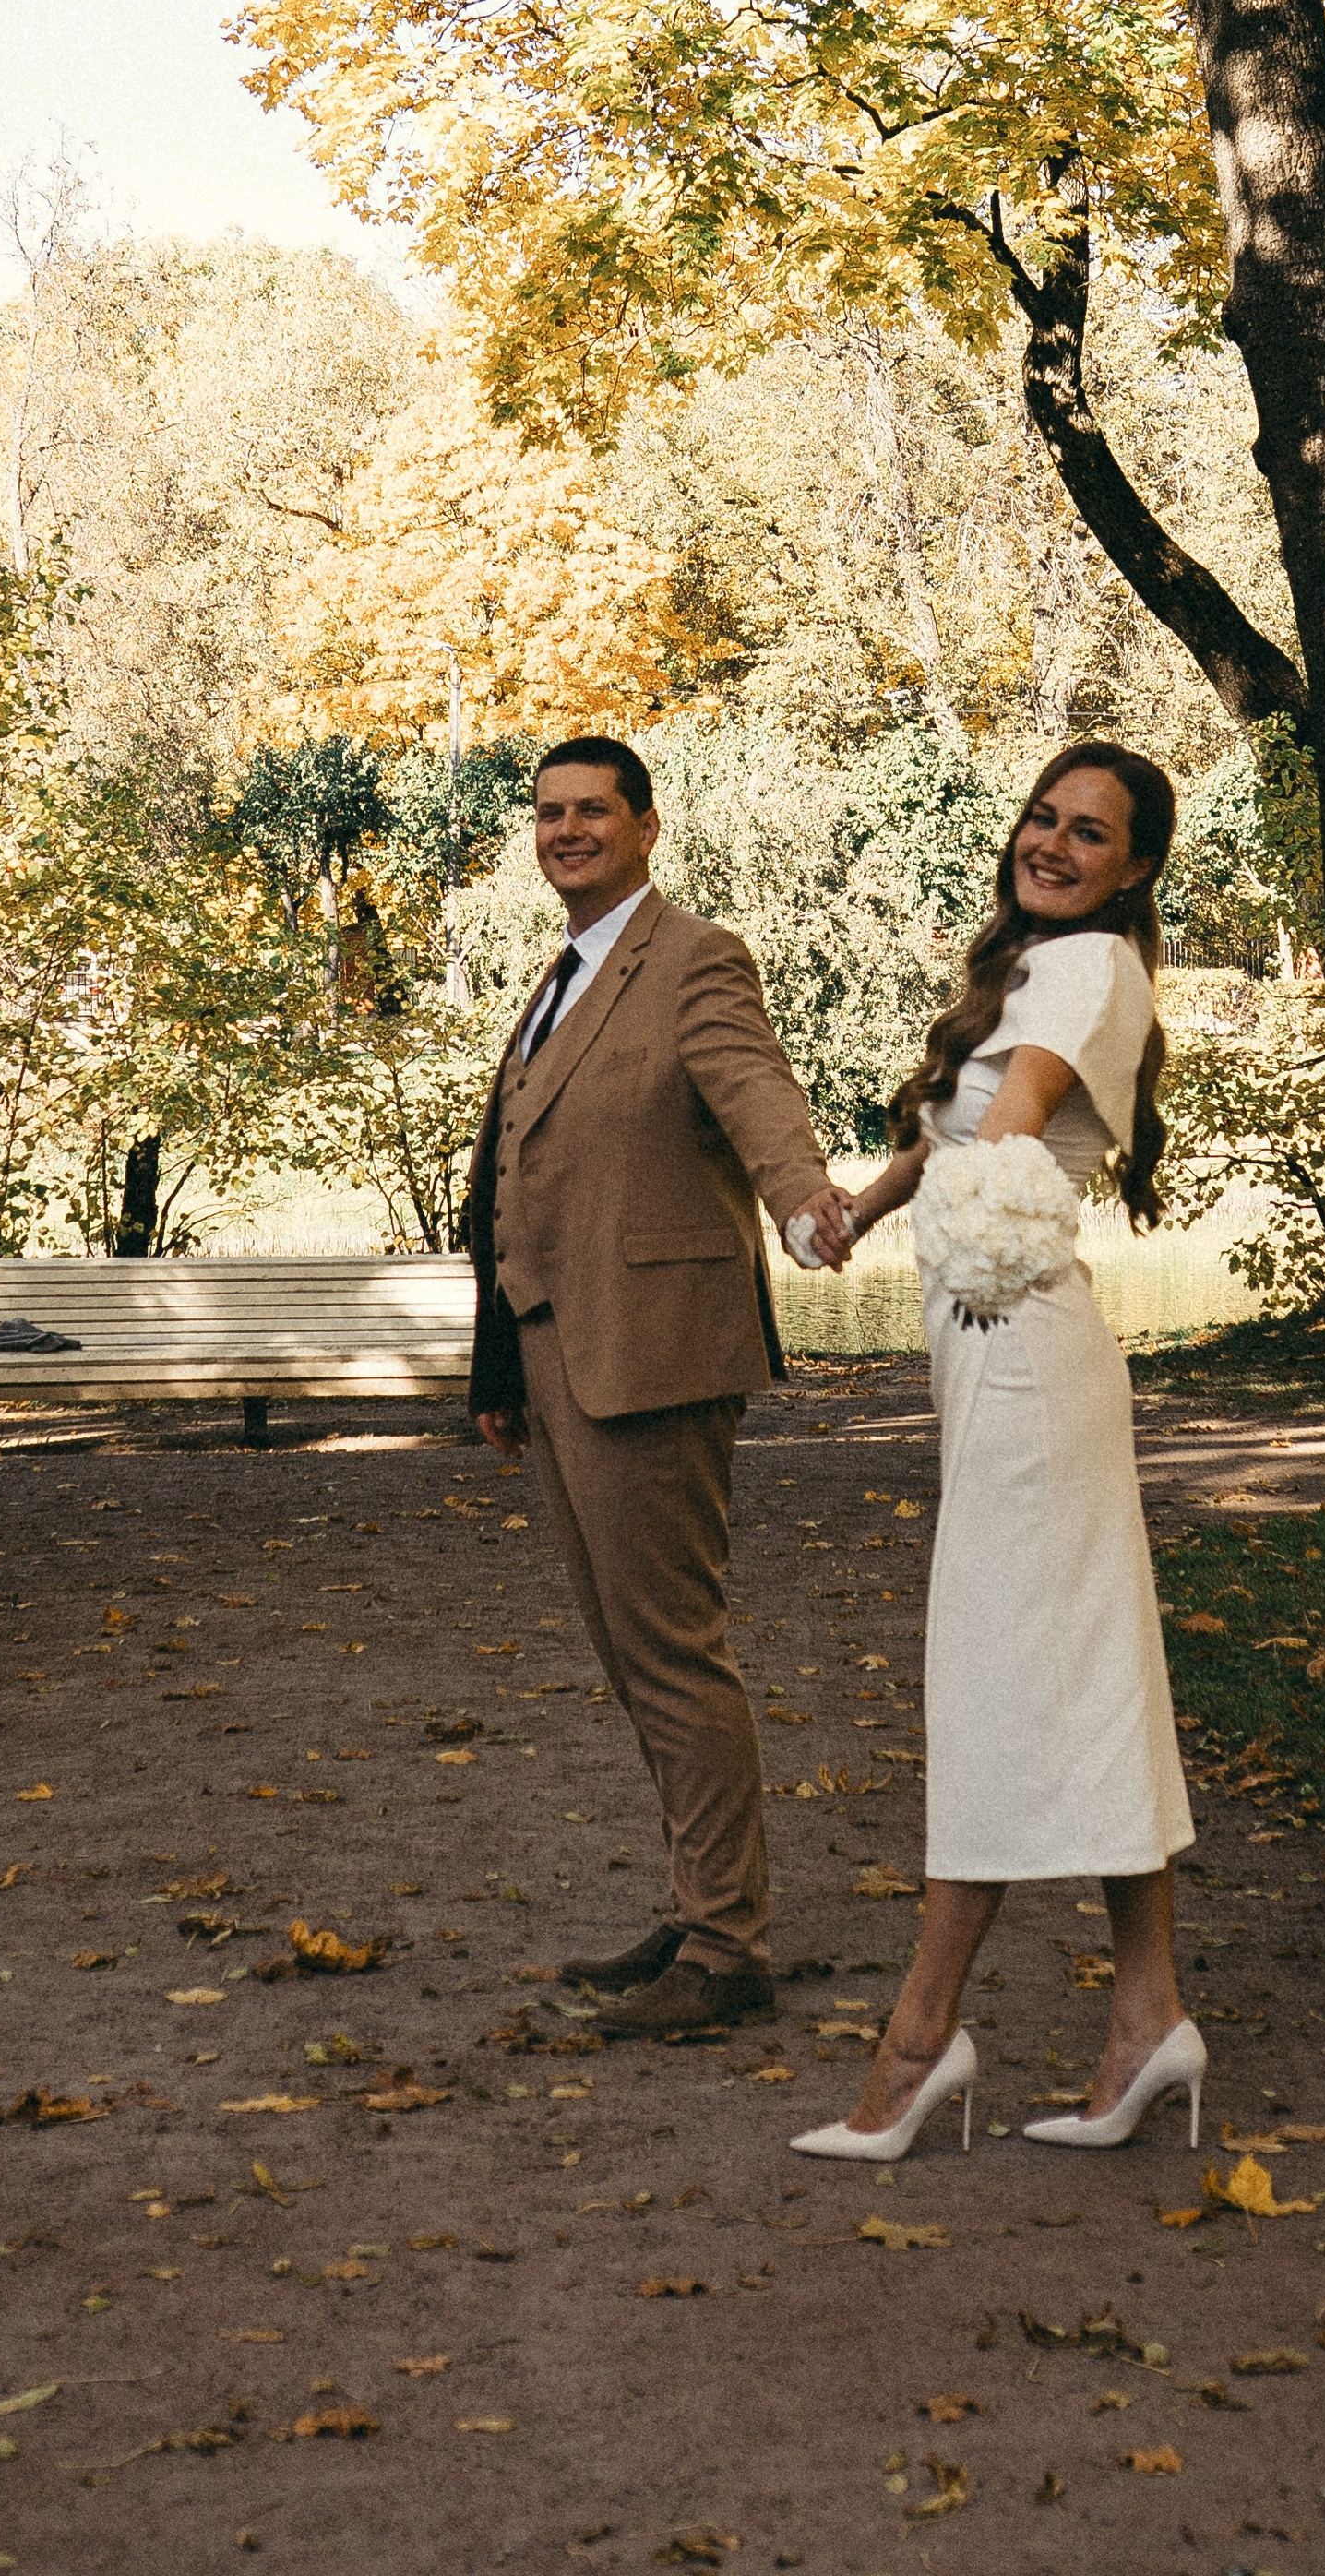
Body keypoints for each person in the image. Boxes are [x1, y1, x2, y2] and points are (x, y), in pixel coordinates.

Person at [789, 743, 1201, 2164]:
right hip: (998, 1345)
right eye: (1042, 817)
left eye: (1090, 833)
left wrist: (943, 1209)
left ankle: (920, 2040)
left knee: (999, 1673)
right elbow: (956, 1136)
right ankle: (1147, 2014)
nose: (1053, 844)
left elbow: (1011, 1134)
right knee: (1087, 1667)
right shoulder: (1039, 970)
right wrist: (861, 1206)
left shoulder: (1087, 967)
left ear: (1134, 868)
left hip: (1021, 1346)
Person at [464, 736, 857, 2040]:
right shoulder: (561, 977)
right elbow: (519, 1172)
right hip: (558, 1354)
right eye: (550, 813)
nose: (567, 831)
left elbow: (756, 1094)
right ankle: (701, 1908)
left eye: (594, 811)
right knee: (632, 1655)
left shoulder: (694, 958)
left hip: (657, 1354)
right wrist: (499, 1361)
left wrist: (801, 1202)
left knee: (674, 1654)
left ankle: (728, 1948)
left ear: (645, 828)